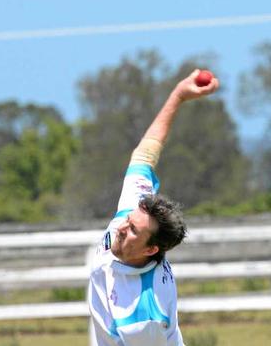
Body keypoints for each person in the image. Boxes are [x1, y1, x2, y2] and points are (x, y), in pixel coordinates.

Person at [88, 69, 220, 345]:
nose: (122, 227)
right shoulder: (130, 216)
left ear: (150, 250)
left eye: (133, 230)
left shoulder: (143, 315)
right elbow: (146, 153)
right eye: (129, 221)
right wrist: (179, 95)